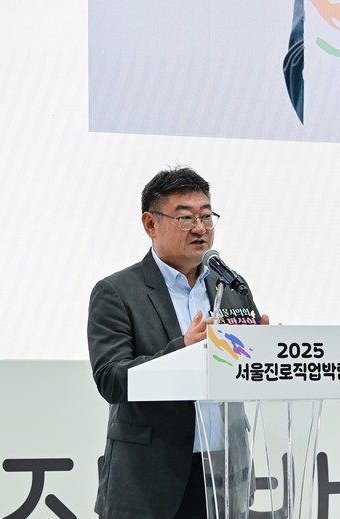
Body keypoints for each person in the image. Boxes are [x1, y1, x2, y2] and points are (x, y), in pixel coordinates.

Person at [88, 166, 267, 519]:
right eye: (185, 218)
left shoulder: (231, 286)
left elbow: (246, 370)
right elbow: (111, 379)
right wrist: (183, 350)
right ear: (150, 224)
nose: (200, 228)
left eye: (206, 216)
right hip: (150, 478)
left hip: (224, 473)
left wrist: (265, 351)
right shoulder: (117, 292)